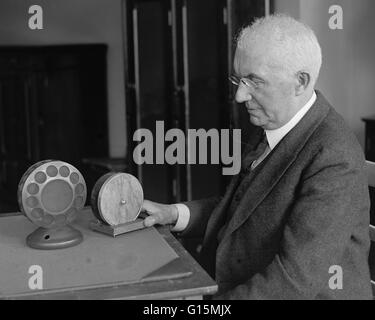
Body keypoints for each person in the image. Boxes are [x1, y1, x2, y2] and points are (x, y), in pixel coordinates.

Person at [141, 14, 372, 299]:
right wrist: (174, 214)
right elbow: (242, 207)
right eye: (239, 79)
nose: (239, 96)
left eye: (254, 82)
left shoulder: (334, 159)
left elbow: (292, 282)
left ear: (300, 82)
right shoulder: (274, 122)